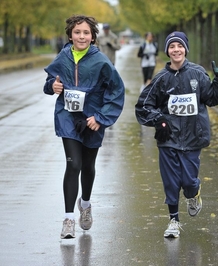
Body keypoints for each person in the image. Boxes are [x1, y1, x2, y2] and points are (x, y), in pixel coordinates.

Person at [135, 31, 218, 238]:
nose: (176, 50)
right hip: (168, 138)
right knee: (171, 182)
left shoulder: (198, 74)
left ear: (185, 49)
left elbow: (211, 98)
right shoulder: (161, 78)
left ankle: (194, 194)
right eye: (171, 47)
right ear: (167, 51)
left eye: (179, 46)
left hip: (193, 136)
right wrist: (159, 120)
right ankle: (173, 220)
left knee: (189, 182)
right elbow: (143, 106)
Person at [43, 15, 125, 239]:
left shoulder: (101, 62)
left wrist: (101, 117)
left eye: (86, 32)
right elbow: (49, 83)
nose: (81, 36)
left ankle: (85, 204)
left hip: (92, 120)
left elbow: (116, 91)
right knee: (74, 164)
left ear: (93, 37)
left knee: (88, 166)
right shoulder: (63, 56)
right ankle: (68, 219)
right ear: (70, 35)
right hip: (68, 118)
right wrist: (53, 85)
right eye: (77, 32)